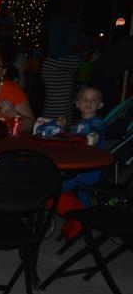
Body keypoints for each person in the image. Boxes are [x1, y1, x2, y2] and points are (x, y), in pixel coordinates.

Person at [55, 85, 107, 239]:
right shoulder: (77, 125)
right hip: (78, 167)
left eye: (93, 100)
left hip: (90, 170)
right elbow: (72, 143)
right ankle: (78, 219)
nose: (88, 103)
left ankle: (80, 221)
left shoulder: (97, 122)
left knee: (67, 188)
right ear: (77, 104)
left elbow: (96, 132)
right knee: (77, 192)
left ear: (100, 105)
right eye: (84, 99)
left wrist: (92, 137)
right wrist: (62, 130)